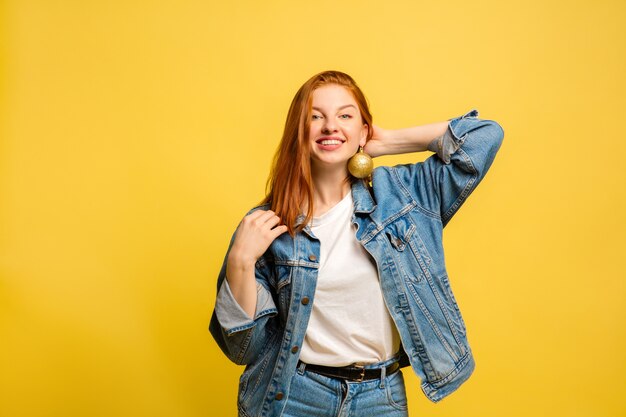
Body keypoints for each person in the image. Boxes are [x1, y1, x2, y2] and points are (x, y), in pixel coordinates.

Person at [209, 70, 504, 417]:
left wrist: (389, 141)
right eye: (315, 116)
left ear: (363, 130)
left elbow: (485, 136)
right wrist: (240, 262)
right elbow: (244, 348)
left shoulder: (402, 194)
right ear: (297, 132)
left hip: (380, 398)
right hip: (294, 395)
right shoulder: (268, 223)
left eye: (345, 116)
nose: (330, 126)